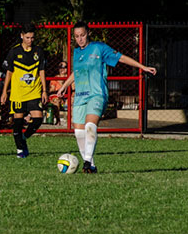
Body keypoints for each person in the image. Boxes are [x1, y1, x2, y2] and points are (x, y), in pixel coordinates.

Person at [55, 21, 157, 173]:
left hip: (97, 94)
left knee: (90, 126)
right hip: (80, 96)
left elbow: (121, 58)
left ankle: (87, 162)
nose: (80, 39)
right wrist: (64, 86)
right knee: (79, 133)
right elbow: (76, 72)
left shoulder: (99, 48)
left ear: (88, 33)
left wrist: (142, 67)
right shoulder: (76, 52)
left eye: (82, 35)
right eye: (76, 36)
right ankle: (91, 166)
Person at [0, 24, 47, 158]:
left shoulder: (38, 51)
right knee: (18, 122)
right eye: (27, 37)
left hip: (34, 91)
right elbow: (9, 73)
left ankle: (24, 137)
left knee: (38, 119)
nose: (30, 40)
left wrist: (44, 90)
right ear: (21, 36)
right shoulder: (14, 52)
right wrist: (4, 92)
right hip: (18, 93)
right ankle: (20, 150)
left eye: (32, 38)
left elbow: (42, 71)